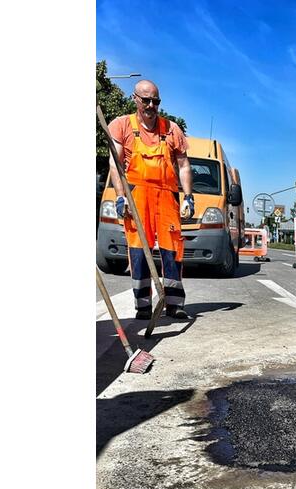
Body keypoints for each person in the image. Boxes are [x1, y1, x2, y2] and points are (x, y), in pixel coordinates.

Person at [106, 79, 194, 320]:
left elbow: (184, 164)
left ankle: (174, 303)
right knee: (138, 251)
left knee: (173, 249)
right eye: (146, 100)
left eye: (156, 101)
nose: (151, 105)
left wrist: (188, 196)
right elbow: (115, 163)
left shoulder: (171, 129)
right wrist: (120, 196)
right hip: (137, 197)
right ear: (135, 98)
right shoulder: (122, 125)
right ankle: (143, 306)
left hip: (167, 196)